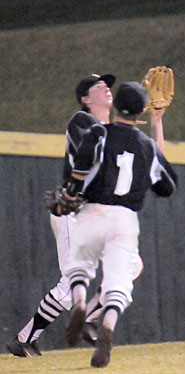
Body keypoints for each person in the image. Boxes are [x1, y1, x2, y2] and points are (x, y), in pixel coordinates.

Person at [6, 73, 167, 357]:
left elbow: (157, 163)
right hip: (73, 211)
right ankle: (24, 340)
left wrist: (155, 121)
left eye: (108, 85)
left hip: (100, 213)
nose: (106, 87)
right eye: (97, 86)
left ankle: (90, 318)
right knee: (70, 285)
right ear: (85, 99)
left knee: (133, 267)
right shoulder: (81, 122)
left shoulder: (115, 131)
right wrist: (127, 127)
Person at [60, 81, 178, 368]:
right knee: (119, 282)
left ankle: (78, 304)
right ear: (141, 111)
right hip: (125, 218)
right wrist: (157, 124)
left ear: (116, 107)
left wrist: (71, 193)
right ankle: (108, 326)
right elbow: (167, 186)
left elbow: (82, 165)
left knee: (80, 266)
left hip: (94, 209)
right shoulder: (147, 147)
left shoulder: (99, 132)